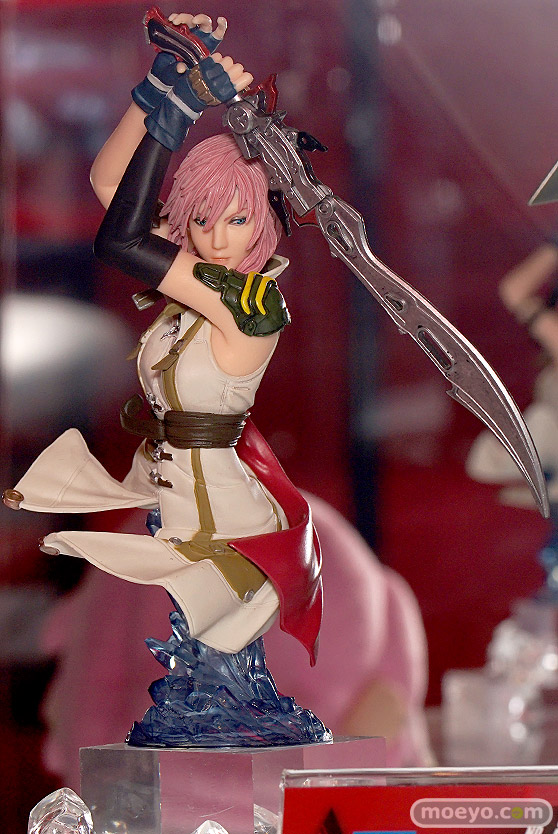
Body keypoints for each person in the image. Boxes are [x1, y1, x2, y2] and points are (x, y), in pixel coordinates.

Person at [4, 13, 327, 743]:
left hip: (225, 520)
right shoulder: (197, 279)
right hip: (178, 495)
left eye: (237, 221)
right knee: (201, 663)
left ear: (264, 225)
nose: (215, 237)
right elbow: (110, 184)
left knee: (219, 663)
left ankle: (231, 725)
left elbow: (119, 240)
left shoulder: (247, 304)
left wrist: (180, 113)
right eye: (202, 219)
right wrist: (157, 90)